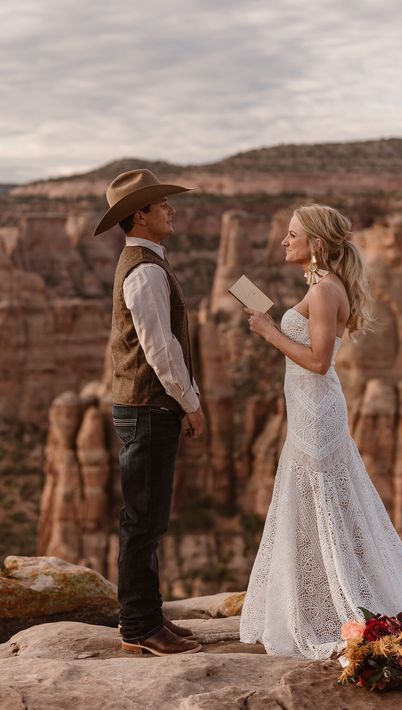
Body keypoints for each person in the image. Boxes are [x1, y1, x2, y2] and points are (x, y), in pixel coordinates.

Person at [239, 203, 402, 670]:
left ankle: (343, 607)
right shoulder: (321, 286)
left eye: (292, 235)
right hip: (308, 411)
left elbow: (319, 361)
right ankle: (315, 603)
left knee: (324, 502)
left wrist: (268, 330)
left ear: (316, 245)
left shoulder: (325, 290)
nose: (284, 242)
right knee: (309, 502)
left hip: (318, 412)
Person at [94, 169, 204, 656]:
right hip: (147, 409)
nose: (171, 209)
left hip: (146, 407)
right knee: (142, 520)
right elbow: (160, 350)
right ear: (140, 215)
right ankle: (139, 626)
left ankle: (149, 618)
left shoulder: (149, 262)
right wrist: (191, 403)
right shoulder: (144, 270)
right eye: (162, 205)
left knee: (150, 518)